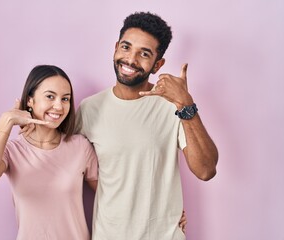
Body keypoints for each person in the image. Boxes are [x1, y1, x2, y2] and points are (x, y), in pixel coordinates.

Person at [75, 12, 218, 239]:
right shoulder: (90, 108)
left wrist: (185, 103)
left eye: (144, 54)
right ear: (115, 48)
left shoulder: (172, 105)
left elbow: (206, 170)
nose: (131, 60)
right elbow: (66, 164)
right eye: (126, 47)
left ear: (157, 65)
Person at [0, 65, 99, 240]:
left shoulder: (80, 146)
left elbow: (108, 197)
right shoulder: (13, 151)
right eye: (50, 96)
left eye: (65, 99)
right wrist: (5, 122)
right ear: (30, 100)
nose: (59, 106)